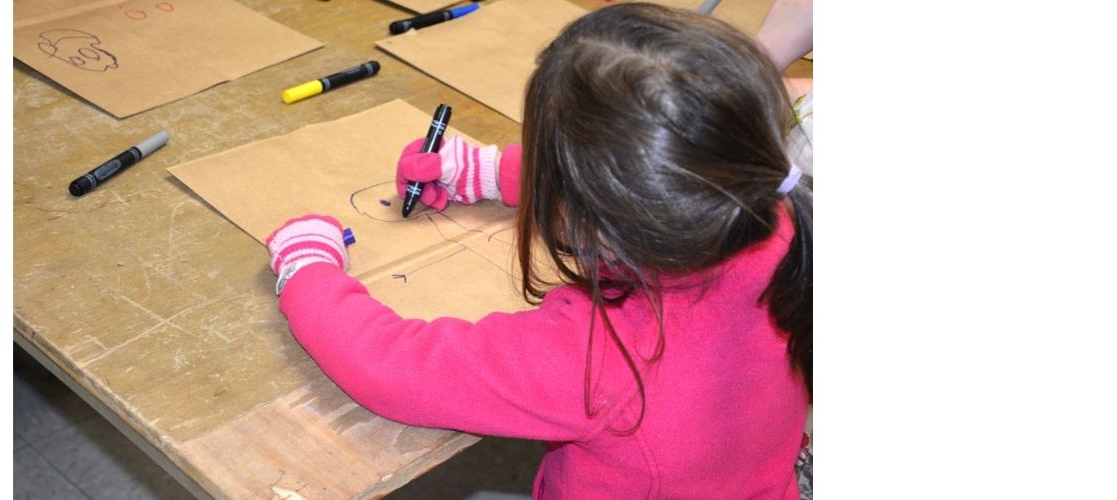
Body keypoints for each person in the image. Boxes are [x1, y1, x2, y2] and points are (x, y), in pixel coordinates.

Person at [261, 4, 811, 497]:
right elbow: (657, 182)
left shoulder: (599, 355)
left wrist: (308, 272)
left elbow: (394, 370)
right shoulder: (778, 219)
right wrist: (488, 172)